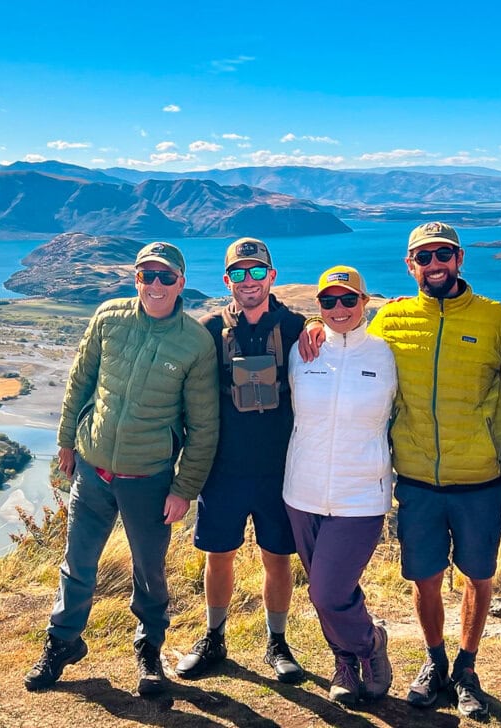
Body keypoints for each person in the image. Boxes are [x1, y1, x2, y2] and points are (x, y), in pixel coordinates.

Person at [24, 241, 219, 697]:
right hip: (93, 469)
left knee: (149, 571)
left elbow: (204, 426)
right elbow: (81, 377)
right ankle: (63, 642)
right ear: (136, 279)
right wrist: (66, 440)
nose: (155, 285)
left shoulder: (194, 342)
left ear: (181, 282)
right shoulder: (109, 317)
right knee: (78, 563)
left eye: (165, 277)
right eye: (146, 275)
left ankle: (149, 650)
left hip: (149, 479)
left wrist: (183, 488)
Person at [367, 221, 501, 716]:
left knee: (478, 575)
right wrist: (316, 334)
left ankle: (466, 668)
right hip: (416, 479)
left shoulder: (494, 319)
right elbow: (356, 360)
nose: (434, 265)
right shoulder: (390, 319)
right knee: (424, 576)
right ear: (411, 266)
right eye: (424, 258)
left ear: (459, 258)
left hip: (480, 478)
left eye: (443, 255)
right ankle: (435, 661)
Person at [176, 237, 307, 684]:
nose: (248, 281)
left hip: (278, 469)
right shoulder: (209, 329)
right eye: (239, 273)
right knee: (219, 555)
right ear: (227, 279)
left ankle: (277, 642)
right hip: (224, 469)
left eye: (257, 272)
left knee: (277, 558)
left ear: (272, 276)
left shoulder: (297, 327)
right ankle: (214, 636)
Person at [284, 265, 397, 705]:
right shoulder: (301, 351)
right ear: (319, 308)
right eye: (328, 302)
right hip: (302, 491)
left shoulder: (387, 355)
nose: (339, 308)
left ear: (365, 303)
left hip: (361, 495)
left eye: (348, 299)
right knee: (325, 593)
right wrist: (309, 327)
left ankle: (370, 645)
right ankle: (345, 664)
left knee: (328, 591)